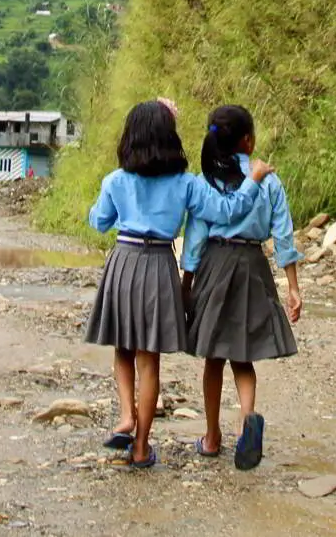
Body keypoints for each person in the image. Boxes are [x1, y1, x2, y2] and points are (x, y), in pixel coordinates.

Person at [84, 100, 274, 470]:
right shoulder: (186, 184)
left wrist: (108, 200)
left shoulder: (116, 180)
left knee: (123, 347)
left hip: (123, 261)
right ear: (171, 139)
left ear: (130, 139)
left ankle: (126, 415)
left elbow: (100, 222)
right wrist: (252, 182)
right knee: (148, 359)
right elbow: (227, 211)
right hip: (158, 265)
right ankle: (140, 447)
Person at [181, 105, 301, 471]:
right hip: (252, 266)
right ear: (248, 140)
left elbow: (196, 237)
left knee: (214, 358)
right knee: (243, 355)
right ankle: (248, 418)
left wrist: (188, 281)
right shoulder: (267, 178)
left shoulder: (207, 180)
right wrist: (293, 287)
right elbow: (283, 233)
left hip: (215, 264)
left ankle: (212, 437)